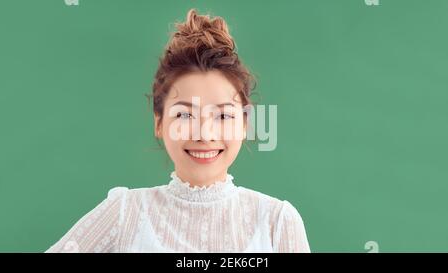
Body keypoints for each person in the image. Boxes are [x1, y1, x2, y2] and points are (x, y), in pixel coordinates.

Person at [45, 8, 310, 253]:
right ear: (159, 122)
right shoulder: (125, 213)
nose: (204, 134)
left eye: (223, 115)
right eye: (184, 114)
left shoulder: (277, 222)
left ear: (244, 124)